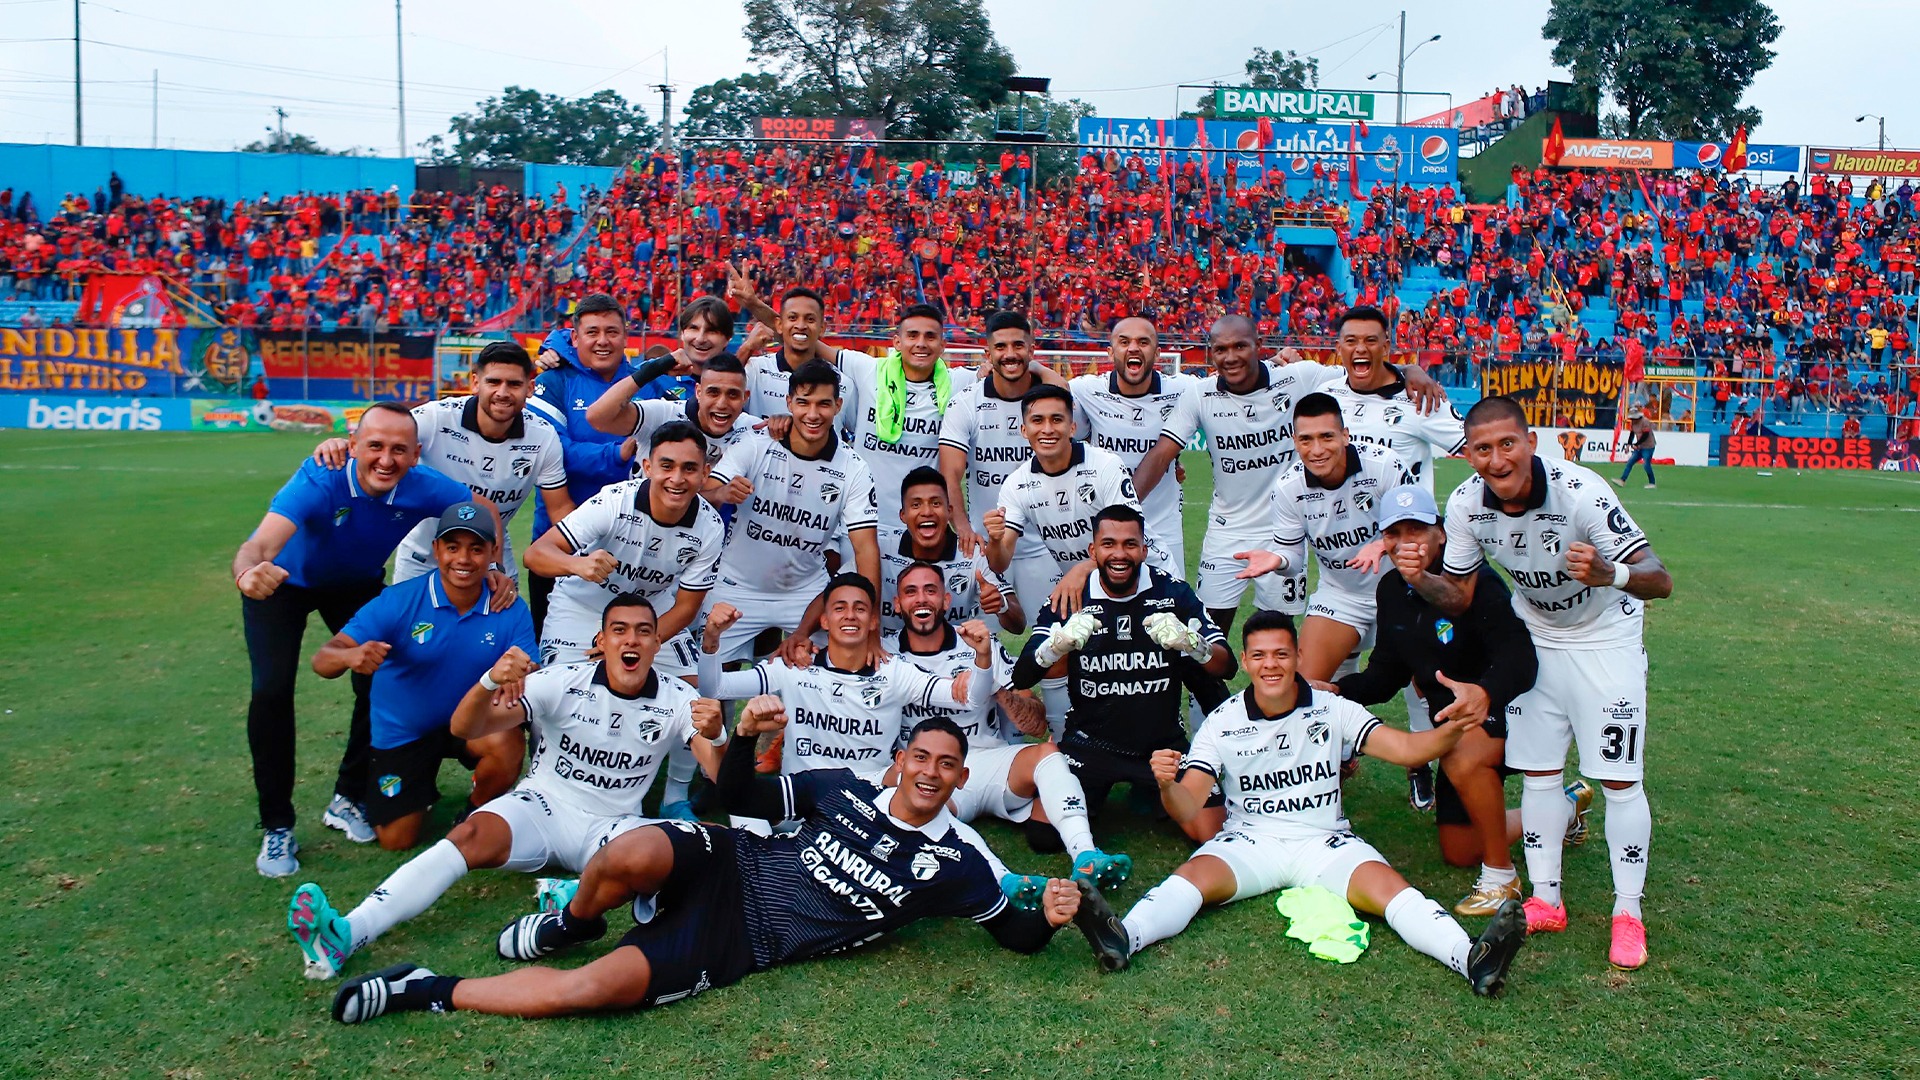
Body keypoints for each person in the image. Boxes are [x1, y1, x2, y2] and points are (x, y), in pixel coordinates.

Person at [329, 715, 1099, 1024]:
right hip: (732, 862)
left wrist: (1052, 920)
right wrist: (745, 739)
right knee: (627, 852)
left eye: (947, 766)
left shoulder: (956, 864)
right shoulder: (842, 788)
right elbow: (729, 794)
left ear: (963, 780)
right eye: (920, 758)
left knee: (588, 994)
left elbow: (1014, 935)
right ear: (901, 761)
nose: (931, 773)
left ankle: (421, 987)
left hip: (743, 941)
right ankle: (570, 921)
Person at [1078, 610, 1529, 1000]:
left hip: (1325, 842)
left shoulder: (1335, 709)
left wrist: (1455, 727)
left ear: (1296, 658)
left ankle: (1472, 959)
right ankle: (1124, 938)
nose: (1270, 665)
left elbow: (1409, 751)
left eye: (1280, 654)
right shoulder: (1223, 721)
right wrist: (1165, 785)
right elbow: (1187, 806)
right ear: (1247, 663)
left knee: (1396, 895)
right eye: (1258, 656)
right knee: (1188, 883)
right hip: (1250, 842)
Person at [287, 594, 725, 979]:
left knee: (681, 853)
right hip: (542, 808)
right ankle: (347, 932)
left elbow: (720, 773)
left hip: (613, 828)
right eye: (619, 631)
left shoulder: (678, 698)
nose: (631, 640)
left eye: (644, 632)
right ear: (602, 640)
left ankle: (574, 894)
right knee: (469, 834)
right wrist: (489, 682)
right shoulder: (560, 681)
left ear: (656, 643)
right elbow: (465, 726)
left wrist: (719, 735)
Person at [1404, 395, 1674, 969]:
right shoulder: (1465, 506)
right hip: (1539, 640)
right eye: (1483, 448)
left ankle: (1629, 913)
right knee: (1539, 772)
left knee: (1619, 780)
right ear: (1468, 454)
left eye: (1508, 444)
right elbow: (1460, 597)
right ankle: (1546, 899)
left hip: (1606, 638)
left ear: (1530, 442)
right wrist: (1420, 579)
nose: (1498, 459)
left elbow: (1660, 579)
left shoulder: (1583, 492)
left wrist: (1611, 572)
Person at [232, 402, 485, 877]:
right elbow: (259, 544)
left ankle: (347, 797)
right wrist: (248, 573)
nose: (386, 460)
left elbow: (479, 512)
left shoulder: (425, 486)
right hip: (279, 582)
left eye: (398, 450)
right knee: (270, 690)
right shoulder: (320, 477)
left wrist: (489, 568)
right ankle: (277, 826)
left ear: (416, 454)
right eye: (374, 447)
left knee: (384, 675)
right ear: (352, 448)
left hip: (354, 586)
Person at [1328, 485, 1591, 915]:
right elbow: (1386, 674)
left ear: (1442, 534)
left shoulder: (1477, 582)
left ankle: (1501, 878)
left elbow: (1520, 659)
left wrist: (1485, 694)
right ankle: (1565, 806)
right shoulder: (1392, 589)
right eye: (1394, 532)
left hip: (1511, 709)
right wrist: (1338, 690)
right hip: (1456, 723)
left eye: (1417, 529)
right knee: (1458, 847)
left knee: (1461, 750)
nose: (1405, 541)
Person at [1134, 315, 1443, 634]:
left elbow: (1359, 372)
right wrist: (1124, 506)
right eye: (1221, 349)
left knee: (1278, 630)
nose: (1231, 356)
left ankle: (1274, 685)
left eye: (1240, 346)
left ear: (1259, 346)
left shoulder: (1300, 376)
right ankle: (1211, 687)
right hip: (1227, 530)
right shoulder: (1200, 394)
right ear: (1211, 353)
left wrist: (1409, 370)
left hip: (1286, 529)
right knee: (1208, 630)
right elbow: (1161, 454)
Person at [522, 421, 728, 819]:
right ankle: (543, 788)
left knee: (694, 692)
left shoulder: (710, 526)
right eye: (667, 466)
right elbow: (537, 555)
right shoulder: (612, 502)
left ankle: (675, 798)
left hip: (651, 616)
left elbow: (686, 608)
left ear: (705, 473)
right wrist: (577, 564)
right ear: (647, 466)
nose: (677, 478)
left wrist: (637, 643)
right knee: (555, 695)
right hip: (582, 609)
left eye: (689, 469)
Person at [884, 560, 1129, 892]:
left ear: (946, 600)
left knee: (1048, 754)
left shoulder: (977, 643)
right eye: (910, 592)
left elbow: (1037, 723)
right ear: (897, 604)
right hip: (936, 771)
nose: (921, 599)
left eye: (931, 590)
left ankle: (1086, 854)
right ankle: (1005, 881)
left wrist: (993, 684)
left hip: (989, 760)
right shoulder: (883, 655)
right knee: (919, 806)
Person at [310, 503, 537, 851]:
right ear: (436, 550)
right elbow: (322, 660)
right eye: (452, 547)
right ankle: (418, 788)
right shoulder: (400, 601)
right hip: (404, 732)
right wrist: (350, 655)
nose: (463, 559)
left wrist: (517, 674)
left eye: (476, 548)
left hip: (468, 724)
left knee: (506, 742)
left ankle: (474, 813)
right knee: (396, 840)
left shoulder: (507, 605)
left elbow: (528, 666)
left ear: (493, 552)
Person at [1011, 506, 1235, 834]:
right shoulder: (1072, 595)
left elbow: (1226, 666)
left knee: (1211, 830)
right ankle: (1110, 788)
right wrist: (1056, 645)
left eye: (1130, 544)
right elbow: (1023, 675)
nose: (1119, 554)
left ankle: (1155, 787)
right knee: (1045, 834)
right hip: (1089, 743)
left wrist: (1191, 643)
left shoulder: (1172, 592)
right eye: (1109, 544)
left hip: (1162, 746)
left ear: (1144, 549)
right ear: (1093, 550)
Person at [311, 342, 570, 587]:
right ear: (475, 383)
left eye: (514, 384)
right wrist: (340, 444)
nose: (502, 393)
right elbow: (381, 437)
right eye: (493, 382)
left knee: (497, 628)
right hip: (422, 556)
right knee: (410, 633)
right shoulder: (434, 418)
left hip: (491, 551)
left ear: (530, 388)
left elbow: (559, 509)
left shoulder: (543, 437)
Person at [695, 574, 992, 780]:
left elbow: (971, 698)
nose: (850, 615)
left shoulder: (896, 672)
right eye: (840, 608)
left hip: (869, 800)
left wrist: (982, 658)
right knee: (742, 804)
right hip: (800, 798)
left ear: (873, 621)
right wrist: (711, 641)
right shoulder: (794, 667)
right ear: (824, 620)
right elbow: (714, 687)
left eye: (860, 609)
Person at [702, 360, 881, 662]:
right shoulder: (755, 444)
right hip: (735, 586)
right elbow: (703, 497)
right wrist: (721, 493)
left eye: (823, 404)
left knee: (843, 667)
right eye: (803, 403)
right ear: (788, 403)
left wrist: (872, 633)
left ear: (838, 406)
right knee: (705, 684)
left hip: (805, 591)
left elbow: (866, 550)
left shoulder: (854, 468)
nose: (813, 414)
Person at [526, 294, 640, 637]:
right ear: (574, 338)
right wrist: (618, 455)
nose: (602, 341)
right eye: (592, 332)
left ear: (625, 336)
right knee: (552, 663)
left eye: (612, 331)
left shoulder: (645, 383)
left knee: (626, 658)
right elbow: (551, 451)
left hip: (631, 552)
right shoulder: (554, 381)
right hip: (557, 545)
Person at [1069, 316, 1200, 579]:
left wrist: (1276, 364)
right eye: (1124, 341)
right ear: (1110, 351)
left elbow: (1229, 384)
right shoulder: (1085, 390)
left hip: (1163, 524)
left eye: (1143, 341)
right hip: (1107, 524)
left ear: (1158, 352)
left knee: (1170, 611)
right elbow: (1042, 400)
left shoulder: (1183, 389)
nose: (1134, 348)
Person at [584, 354, 759, 478]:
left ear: (746, 397)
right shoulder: (663, 414)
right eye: (713, 392)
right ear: (698, 392)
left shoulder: (753, 429)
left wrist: (781, 422)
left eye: (733, 395)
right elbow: (598, 417)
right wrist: (657, 367)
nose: (722, 403)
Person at [1615, 409, 1657, 489]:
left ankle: (1652, 483)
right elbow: (1632, 434)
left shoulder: (1645, 422)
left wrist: (1637, 444)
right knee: (1630, 462)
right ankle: (1622, 480)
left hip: (1648, 446)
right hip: (1640, 447)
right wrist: (1629, 444)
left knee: (1646, 465)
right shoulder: (1633, 423)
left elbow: (1646, 435)